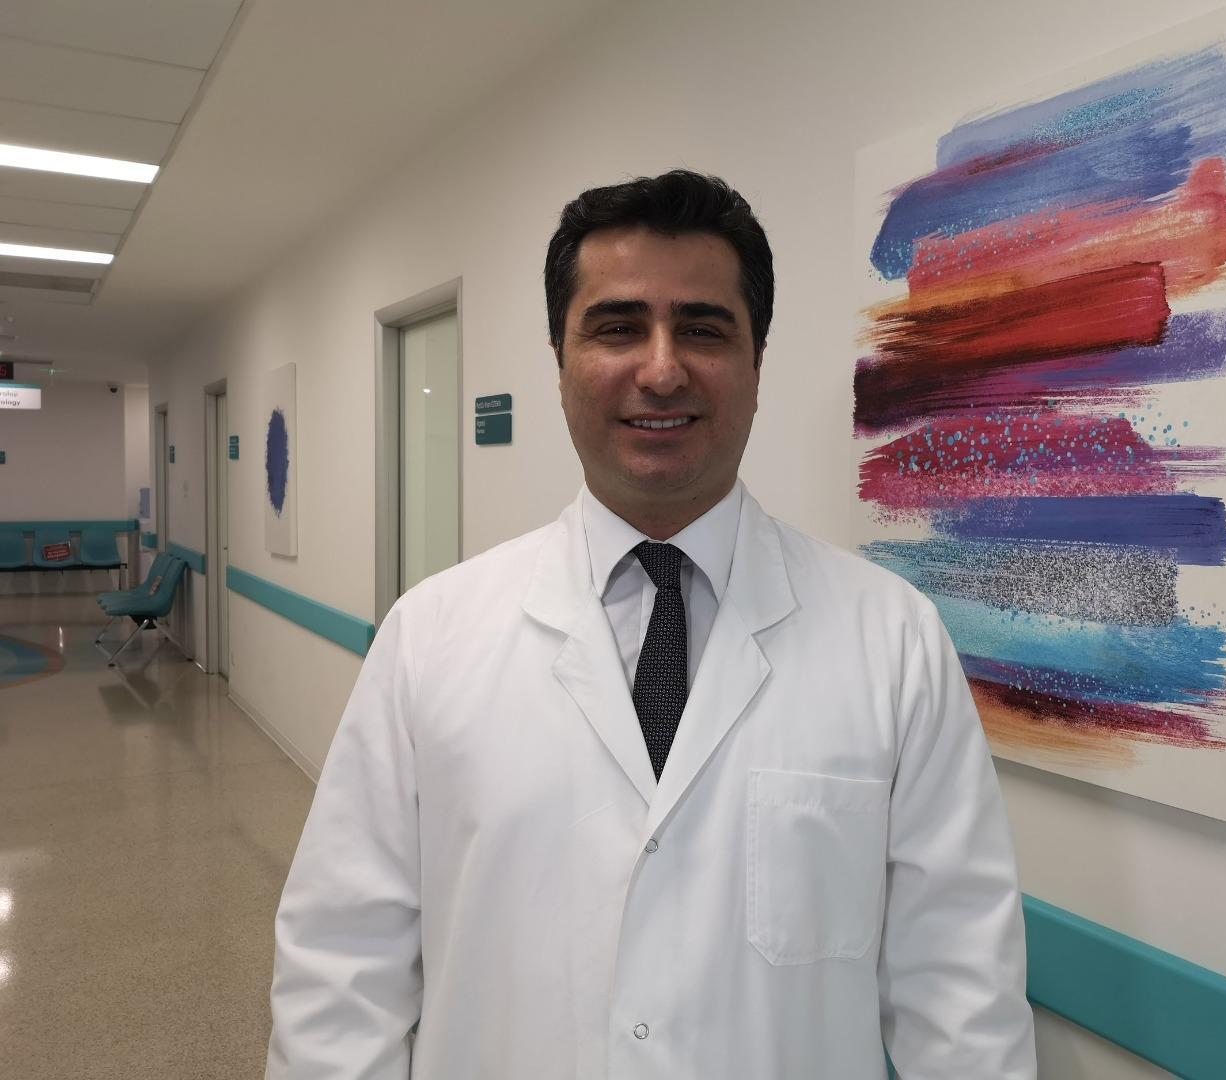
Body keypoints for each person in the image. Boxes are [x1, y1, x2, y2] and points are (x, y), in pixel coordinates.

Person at [267, 169, 1036, 1078]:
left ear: (756, 364)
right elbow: (341, 977)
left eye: (704, 329)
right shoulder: (429, 636)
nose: (662, 369)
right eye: (618, 327)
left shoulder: (894, 639)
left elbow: (961, 998)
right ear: (560, 361)